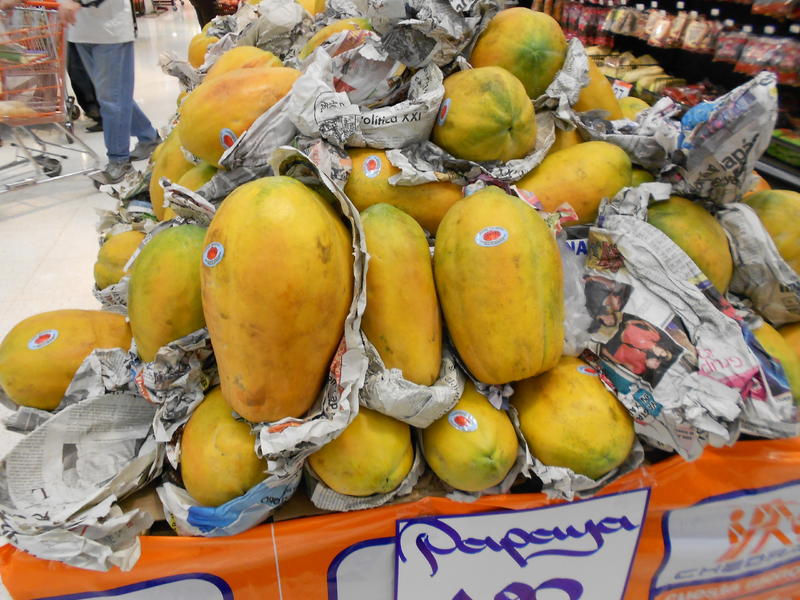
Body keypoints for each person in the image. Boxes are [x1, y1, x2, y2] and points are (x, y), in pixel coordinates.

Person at [58, 0, 161, 184]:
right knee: (112, 95)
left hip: (110, 30)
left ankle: (119, 161)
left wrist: (76, 2)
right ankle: (148, 137)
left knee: (111, 99)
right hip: (79, 30)